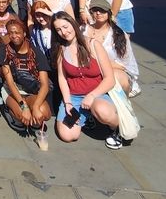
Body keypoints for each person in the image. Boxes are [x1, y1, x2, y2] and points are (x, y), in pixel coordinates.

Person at [52, 11, 122, 149]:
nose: (64, 32)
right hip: (75, 97)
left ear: (73, 23)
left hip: (98, 94)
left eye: (65, 26)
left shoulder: (93, 44)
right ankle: (88, 118)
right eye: (58, 29)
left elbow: (109, 79)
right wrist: (67, 102)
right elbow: (62, 78)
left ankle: (117, 130)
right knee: (68, 136)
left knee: (102, 111)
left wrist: (91, 95)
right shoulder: (61, 49)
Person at [1, 17, 52, 150]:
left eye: (17, 32)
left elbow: (45, 85)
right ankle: (10, 111)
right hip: (12, 90)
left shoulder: (36, 52)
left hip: (31, 91)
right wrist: (24, 107)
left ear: (24, 33)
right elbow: (10, 82)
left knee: (44, 113)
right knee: (21, 116)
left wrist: (35, 107)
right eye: (10, 33)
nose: (14, 36)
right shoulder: (5, 50)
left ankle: (33, 119)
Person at [83, 0, 140, 97]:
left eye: (102, 10)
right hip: (89, 70)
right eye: (95, 10)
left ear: (109, 13)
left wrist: (102, 64)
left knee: (115, 76)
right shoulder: (83, 30)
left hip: (115, 72)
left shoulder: (119, 34)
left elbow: (124, 65)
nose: (98, 13)